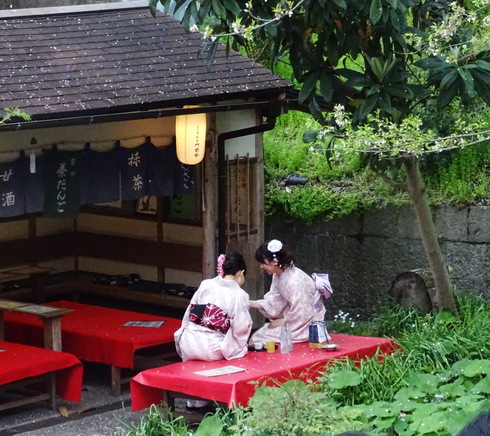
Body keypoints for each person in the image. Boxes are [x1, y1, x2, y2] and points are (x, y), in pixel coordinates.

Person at [174, 251, 252, 362]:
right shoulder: (239, 294)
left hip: (188, 344)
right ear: (241, 273)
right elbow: (242, 328)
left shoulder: (206, 284)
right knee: (241, 346)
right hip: (212, 349)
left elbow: (189, 314)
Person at [249, 239, 326, 346]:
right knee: (260, 335)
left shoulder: (295, 281)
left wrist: (282, 321)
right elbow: (275, 299)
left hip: (308, 323)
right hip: (295, 319)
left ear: (274, 262)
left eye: (263, 263)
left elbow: (303, 312)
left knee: (260, 337)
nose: (261, 266)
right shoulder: (279, 274)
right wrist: (251, 303)